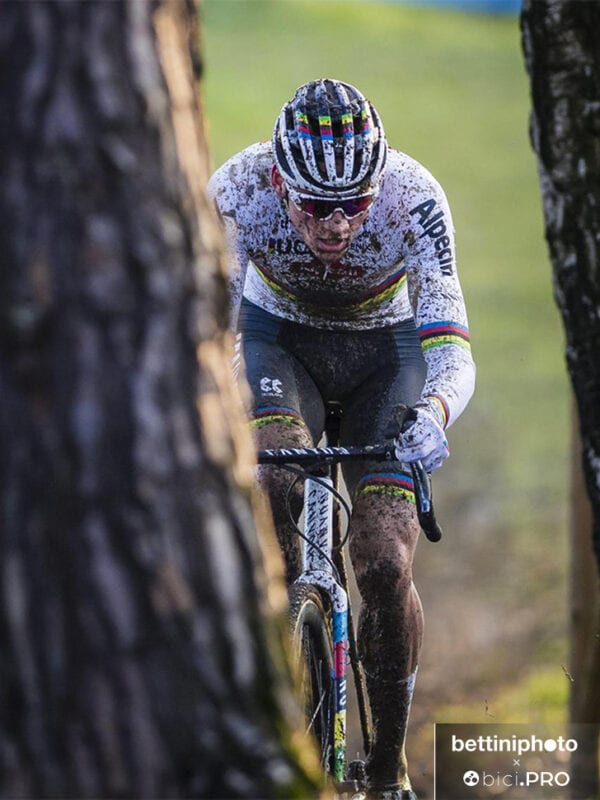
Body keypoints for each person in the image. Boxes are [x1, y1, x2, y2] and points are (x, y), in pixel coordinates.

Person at [208, 78, 475, 800]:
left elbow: (451, 346)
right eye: (316, 206)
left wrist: (437, 414)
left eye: (354, 204)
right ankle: (278, 654)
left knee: (385, 564)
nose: (337, 224)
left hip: (383, 357)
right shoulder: (236, 190)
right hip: (275, 344)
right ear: (277, 182)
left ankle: (387, 770)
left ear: (377, 184)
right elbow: (205, 327)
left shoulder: (413, 197)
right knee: (270, 483)